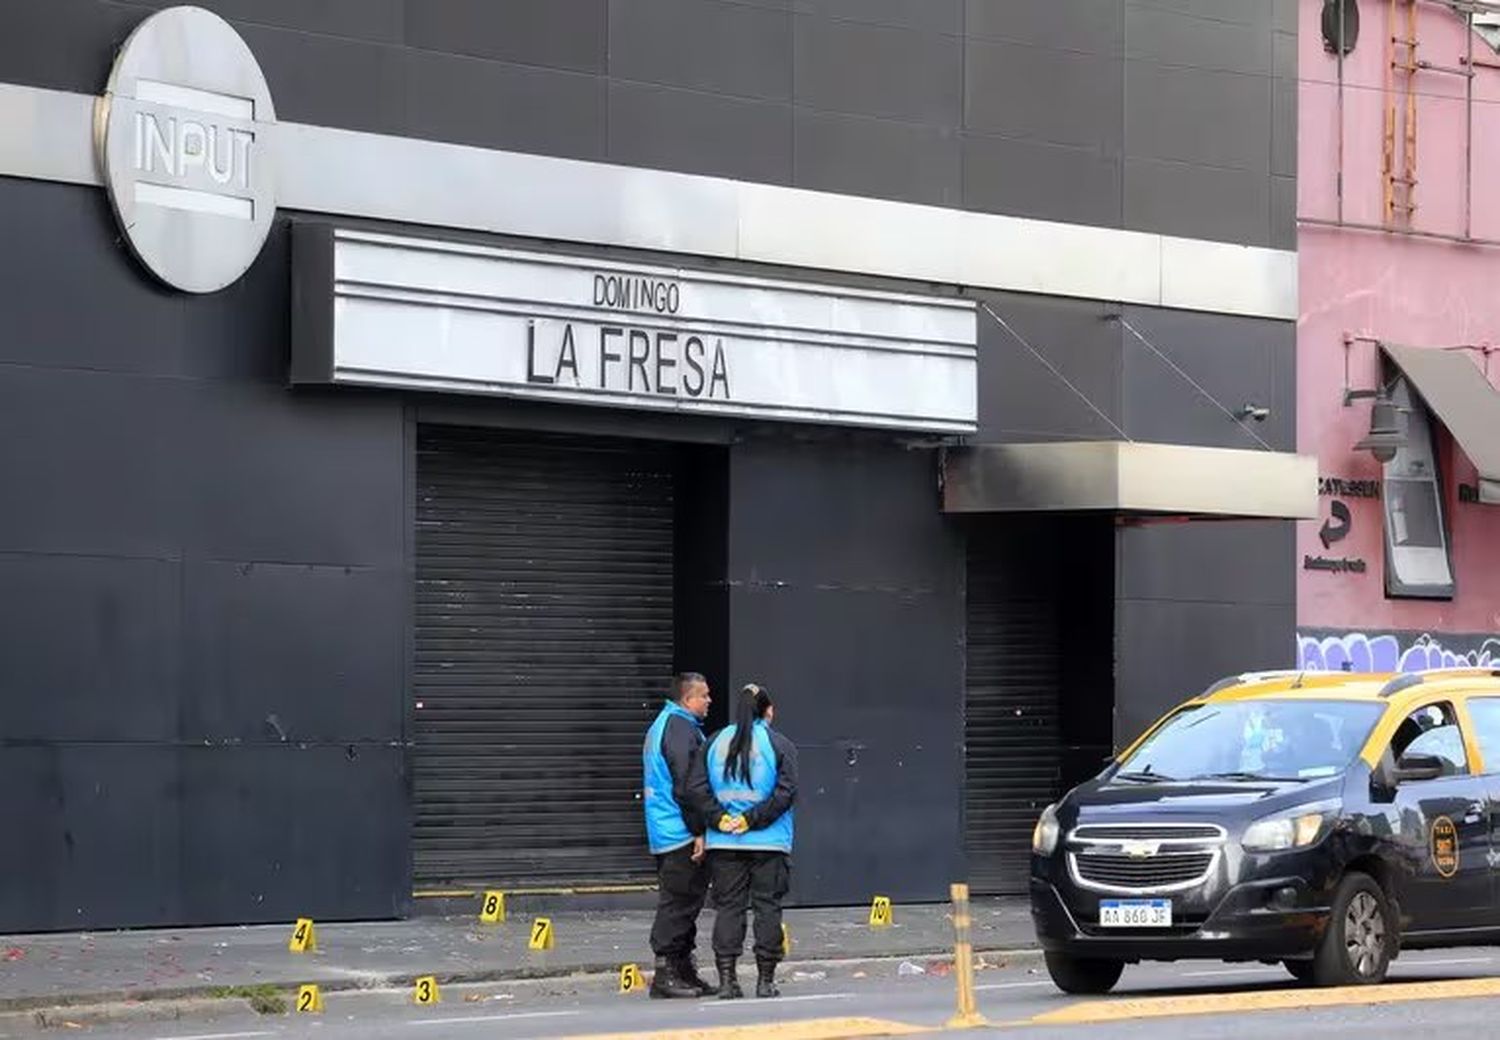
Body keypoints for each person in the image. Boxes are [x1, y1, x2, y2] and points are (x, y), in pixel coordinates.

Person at [694, 683, 798, 1000]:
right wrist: (752, 819)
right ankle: (765, 981)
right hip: (768, 843)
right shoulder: (779, 744)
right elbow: (786, 792)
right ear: (768, 711)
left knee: (729, 909)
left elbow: (695, 788)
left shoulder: (714, 742)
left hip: (724, 843)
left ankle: (727, 981)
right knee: (768, 908)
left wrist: (719, 818)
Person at [641, 672, 718, 998]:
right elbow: (687, 786)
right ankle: (666, 974)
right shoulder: (679, 728)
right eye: (704, 695)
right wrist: (698, 830)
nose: (709, 701)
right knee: (678, 902)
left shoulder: (669, 724)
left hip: (667, 828)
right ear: (688, 700)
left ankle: (684, 971)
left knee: (686, 902)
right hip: (678, 832)